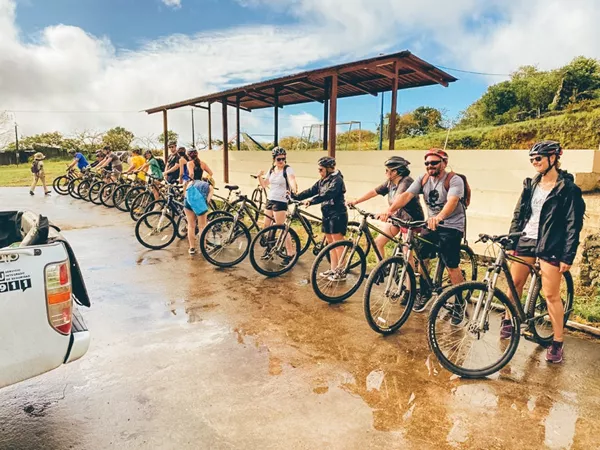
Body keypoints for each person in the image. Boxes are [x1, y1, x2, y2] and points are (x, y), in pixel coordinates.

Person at [504, 141, 584, 363]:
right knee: (514, 284)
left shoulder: (568, 189)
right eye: (532, 159)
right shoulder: (530, 184)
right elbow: (519, 213)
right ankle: (509, 320)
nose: (534, 162)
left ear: (553, 158)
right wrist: (512, 239)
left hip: (552, 244)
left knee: (551, 295)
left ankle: (557, 341)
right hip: (526, 239)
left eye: (538, 158)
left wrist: (568, 256)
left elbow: (572, 224)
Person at [379, 148, 466, 313]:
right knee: (421, 255)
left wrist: (439, 217)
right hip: (431, 224)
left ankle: (459, 303)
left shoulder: (454, 180)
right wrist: (389, 211)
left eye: (434, 162)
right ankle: (425, 292)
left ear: (444, 163)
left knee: (451, 265)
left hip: (452, 225)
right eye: (427, 163)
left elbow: (452, 201)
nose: (430, 166)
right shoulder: (423, 179)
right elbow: (405, 196)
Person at [347, 156, 424, 259]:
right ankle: (382, 271)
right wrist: (356, 201)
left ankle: (409, 275)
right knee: (378, 242)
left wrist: (387, 212)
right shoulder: (390, 183)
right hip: (397, 218)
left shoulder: (406, 182)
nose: (385, 172)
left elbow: (399, 199)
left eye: (387, 170)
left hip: (410, 221)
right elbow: (374, 192)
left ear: (395, 172)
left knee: (406, 252)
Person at [292, 156, 347, 281]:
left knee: (338, 243)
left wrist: (312, 201)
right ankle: (333, 269)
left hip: (337, 214)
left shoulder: (337, 180)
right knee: (330, 243)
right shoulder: (323, 180)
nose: (319, 172)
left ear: (329, 169)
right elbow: (311, 190)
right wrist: (295, 197)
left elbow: (328, 194)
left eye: (321, 169)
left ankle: (341, 271)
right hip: (327, 213)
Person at [256, 147, 299, 264]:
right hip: (270, 200)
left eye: (283, 159)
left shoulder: (287, 169)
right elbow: (264, 184)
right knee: (266, 225)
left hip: (280, 201)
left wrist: (294, 189)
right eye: (279, 159)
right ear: (274, 159)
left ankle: (290, 253)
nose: (281, 161)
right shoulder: (272, 169)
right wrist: (259, 176)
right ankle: (269, 248)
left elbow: (292, 180)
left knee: (281, 228)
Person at [183, 147, 214, 254]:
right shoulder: (203, 163)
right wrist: (204, 179)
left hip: (190, 192)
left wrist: (188, 180)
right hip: (200, 192)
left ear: (188, 155)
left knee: (191, 225)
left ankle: (192, 248)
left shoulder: (189, 163)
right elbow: (211, 173)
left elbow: (191, 174)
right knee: (202, 226)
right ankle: (204, 247)